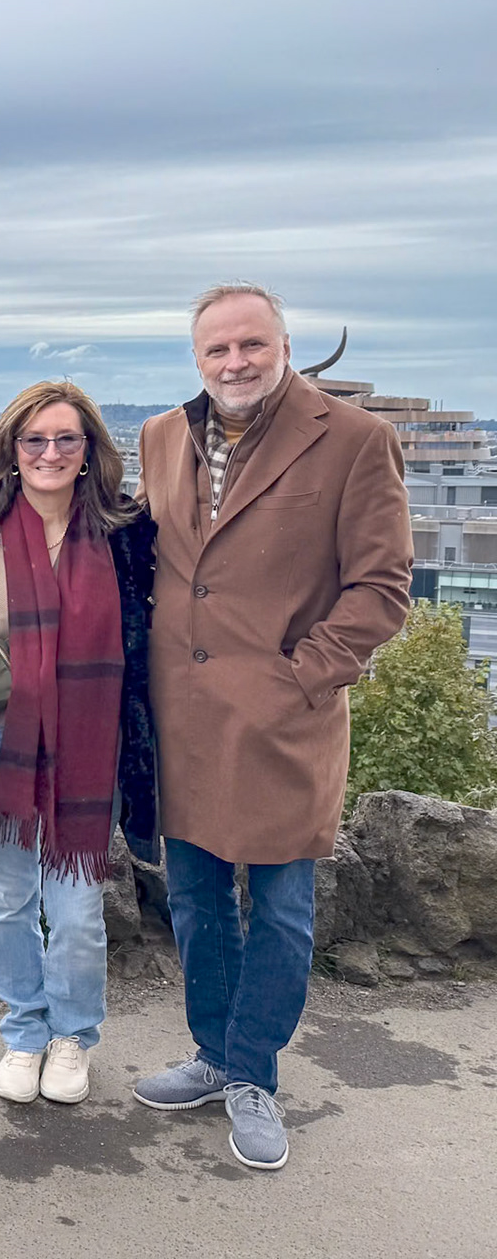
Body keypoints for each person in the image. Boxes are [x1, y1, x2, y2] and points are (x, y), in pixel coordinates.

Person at [133, 283, 411, 1170]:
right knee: (195, 899)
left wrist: (301, 678)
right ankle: (214, 1054)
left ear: (284, 346)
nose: (235, 363)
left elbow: (382, 588)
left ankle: (254, 1073)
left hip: (285, 722)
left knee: (282, 908)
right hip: (183, 717)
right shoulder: (161, 435)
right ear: (197, 359)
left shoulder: (357, 440)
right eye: (217, 351)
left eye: (251, 345)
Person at [0, 381, 157, 1108]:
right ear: (10, 449)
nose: (50, 453)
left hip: (91, 739)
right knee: (7, 896)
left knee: (76, 903)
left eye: (67, 439)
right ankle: (24, 1030)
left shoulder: (127, 533)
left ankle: (73, 1035)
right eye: (35, 439)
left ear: (90, 450)